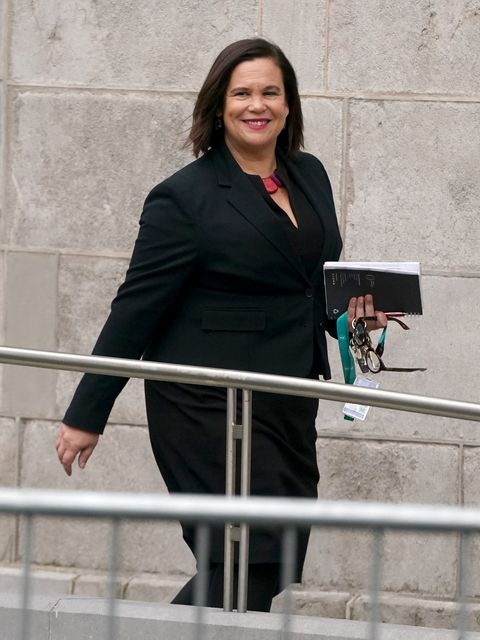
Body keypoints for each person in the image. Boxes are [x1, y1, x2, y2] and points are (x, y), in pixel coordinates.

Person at [55, 38, 385, 611]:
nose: (256, 105)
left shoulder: (309, 174)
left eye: (269, 92)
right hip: (206, 405)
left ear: (288, 105)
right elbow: (134, 310)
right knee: (243, 557)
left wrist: (351, 317)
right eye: (242, 93)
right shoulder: (182, 198)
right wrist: (87, 415)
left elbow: (307, 283)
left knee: (274, 558)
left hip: (285, 395)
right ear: (219, 104)